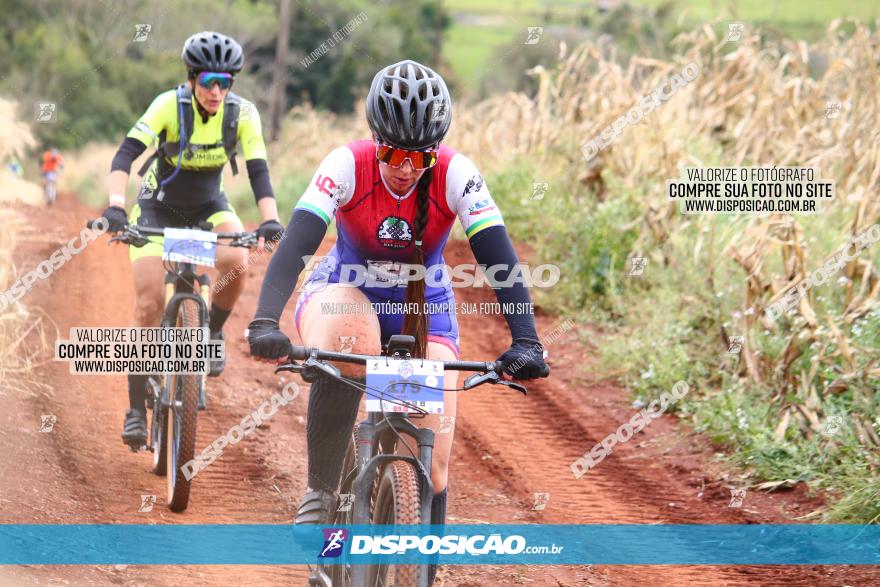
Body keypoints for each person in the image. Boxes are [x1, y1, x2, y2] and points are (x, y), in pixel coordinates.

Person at [246, 60, 549, 582]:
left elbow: (497, 256)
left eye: (418, 156)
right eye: (392, 153)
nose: (405, 167)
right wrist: (264, 320)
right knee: (354, 341)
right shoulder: (346, 165)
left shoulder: (457, 173)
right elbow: (296, 243)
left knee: (433, 466)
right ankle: (322, 491)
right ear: (374, 139)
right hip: (343, 291)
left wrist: (527, 340)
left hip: (421, 304)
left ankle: (419, 574)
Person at [102, 31, 284, 447]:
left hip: (208, 206)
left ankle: (212, 334)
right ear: (191, 79)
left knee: (237, 261)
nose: (217, 91)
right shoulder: (169, 105)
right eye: (208, 82)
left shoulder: (243, 114)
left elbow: (259, 172)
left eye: (226, 82)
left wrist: (270, 219)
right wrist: (115, 205)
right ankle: (134, 406)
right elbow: (125, 156)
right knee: (148, 302)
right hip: (155, 207)